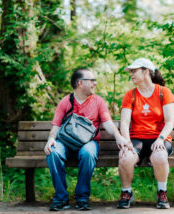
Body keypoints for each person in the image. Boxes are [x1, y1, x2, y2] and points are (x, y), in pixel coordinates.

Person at [44, 68, 128, 211]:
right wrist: (51, 139)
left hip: (89, 143)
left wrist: (119, 137)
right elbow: (56, 125)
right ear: (80, 83)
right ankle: (61, 198)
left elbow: (108, 123)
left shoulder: (98, 101)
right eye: (92, 80)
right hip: (66, 143)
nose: (95, 83)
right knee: (53, 151)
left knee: (88, 153)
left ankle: (82, 198)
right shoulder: (66, 101)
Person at [116, 58, 174, 209]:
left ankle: (162, 193)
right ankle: (126, 193)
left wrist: (161, 139)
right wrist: (127, 142)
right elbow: (124, 122)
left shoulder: (164, 92)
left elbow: (169, 121)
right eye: (130, 71)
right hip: (137, 139)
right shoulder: (130, 95)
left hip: (159, 139)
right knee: (125, 157)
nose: (131, 74)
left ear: (146, 71)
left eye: (134, 71)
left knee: (160, 156)